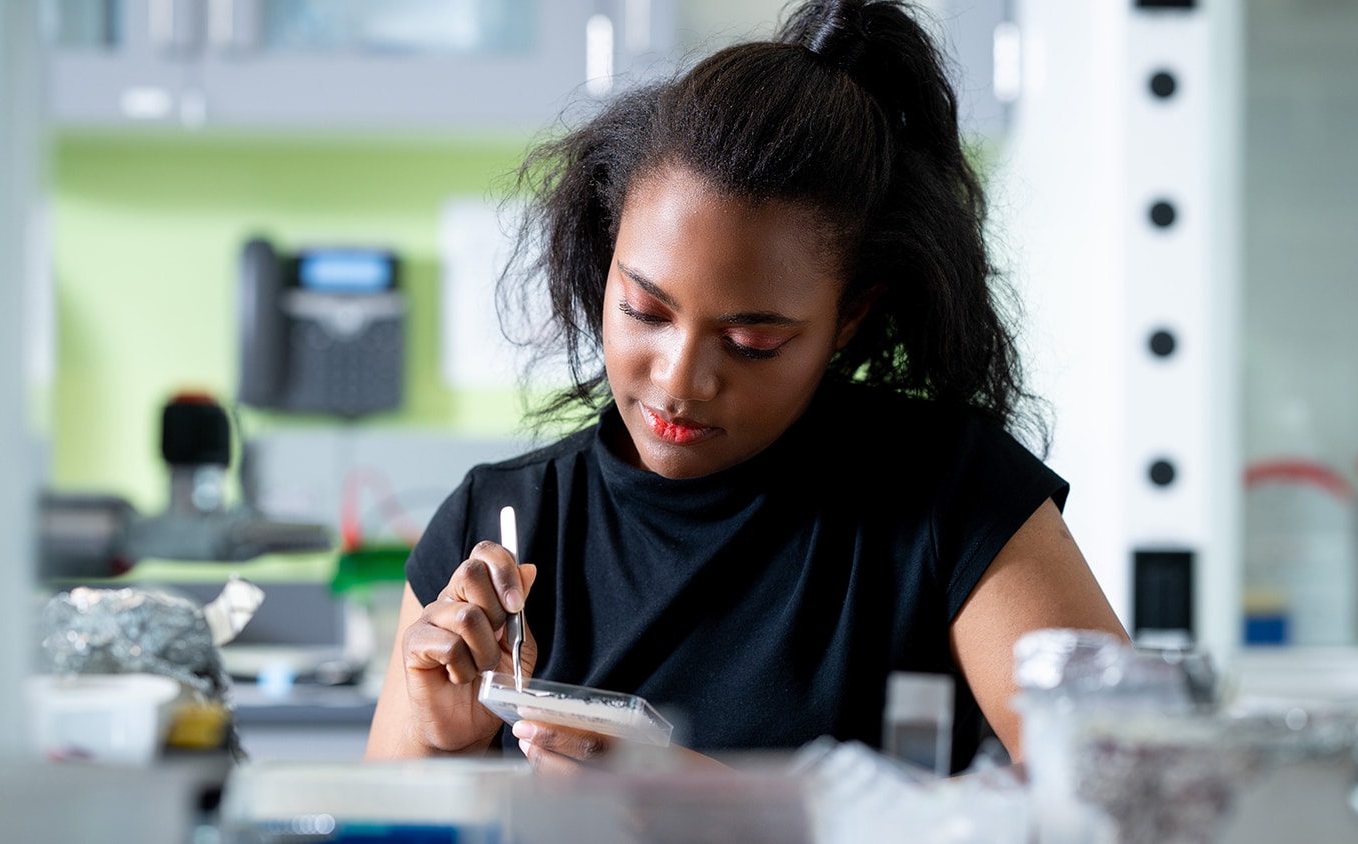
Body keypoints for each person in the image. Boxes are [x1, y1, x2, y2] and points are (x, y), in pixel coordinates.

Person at [365, 0, 1126, 775]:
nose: (678, 380)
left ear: (850, 316)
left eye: (750, 342)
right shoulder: (502, 522)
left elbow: (1136, 800)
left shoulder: (951, 499)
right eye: (643, 310)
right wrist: (442, 745)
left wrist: (737, 814)